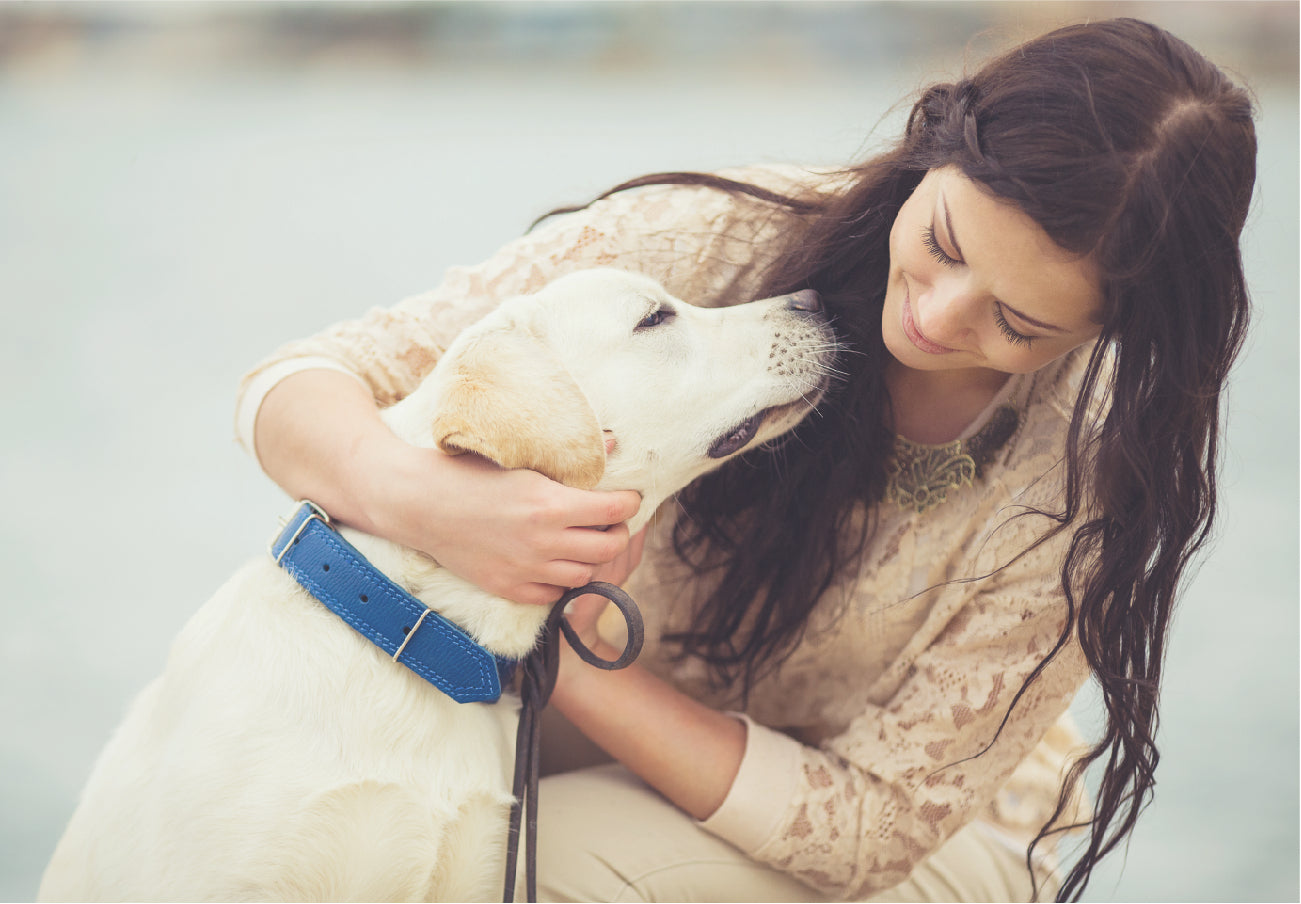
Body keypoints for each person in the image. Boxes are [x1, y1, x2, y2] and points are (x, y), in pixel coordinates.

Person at [235, 17, 1256, 903]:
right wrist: (422, 503)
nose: (937, 318)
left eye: (1018, 322)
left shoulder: (1084, 477)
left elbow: (867, 828)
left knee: (525, 862)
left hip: (923, 851)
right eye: (943, 244)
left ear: (1107, 330)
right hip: (592, 732)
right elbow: (303, 381)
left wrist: (567, 645)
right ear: (932, 142)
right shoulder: (719, 242)